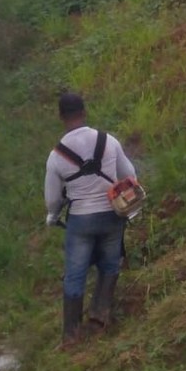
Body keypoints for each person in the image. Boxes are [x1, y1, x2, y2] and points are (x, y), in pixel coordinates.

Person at [45, 92, 136, 346]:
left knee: (75, 274)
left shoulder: (56, 156)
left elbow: (52, 201)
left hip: (81, 222)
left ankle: (71, 335)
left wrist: (53, 215)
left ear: (61, 117)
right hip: (111, 215)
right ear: (84, 112)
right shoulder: (109, 141)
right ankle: (99, 316)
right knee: (110, 264)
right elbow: (129, 174)